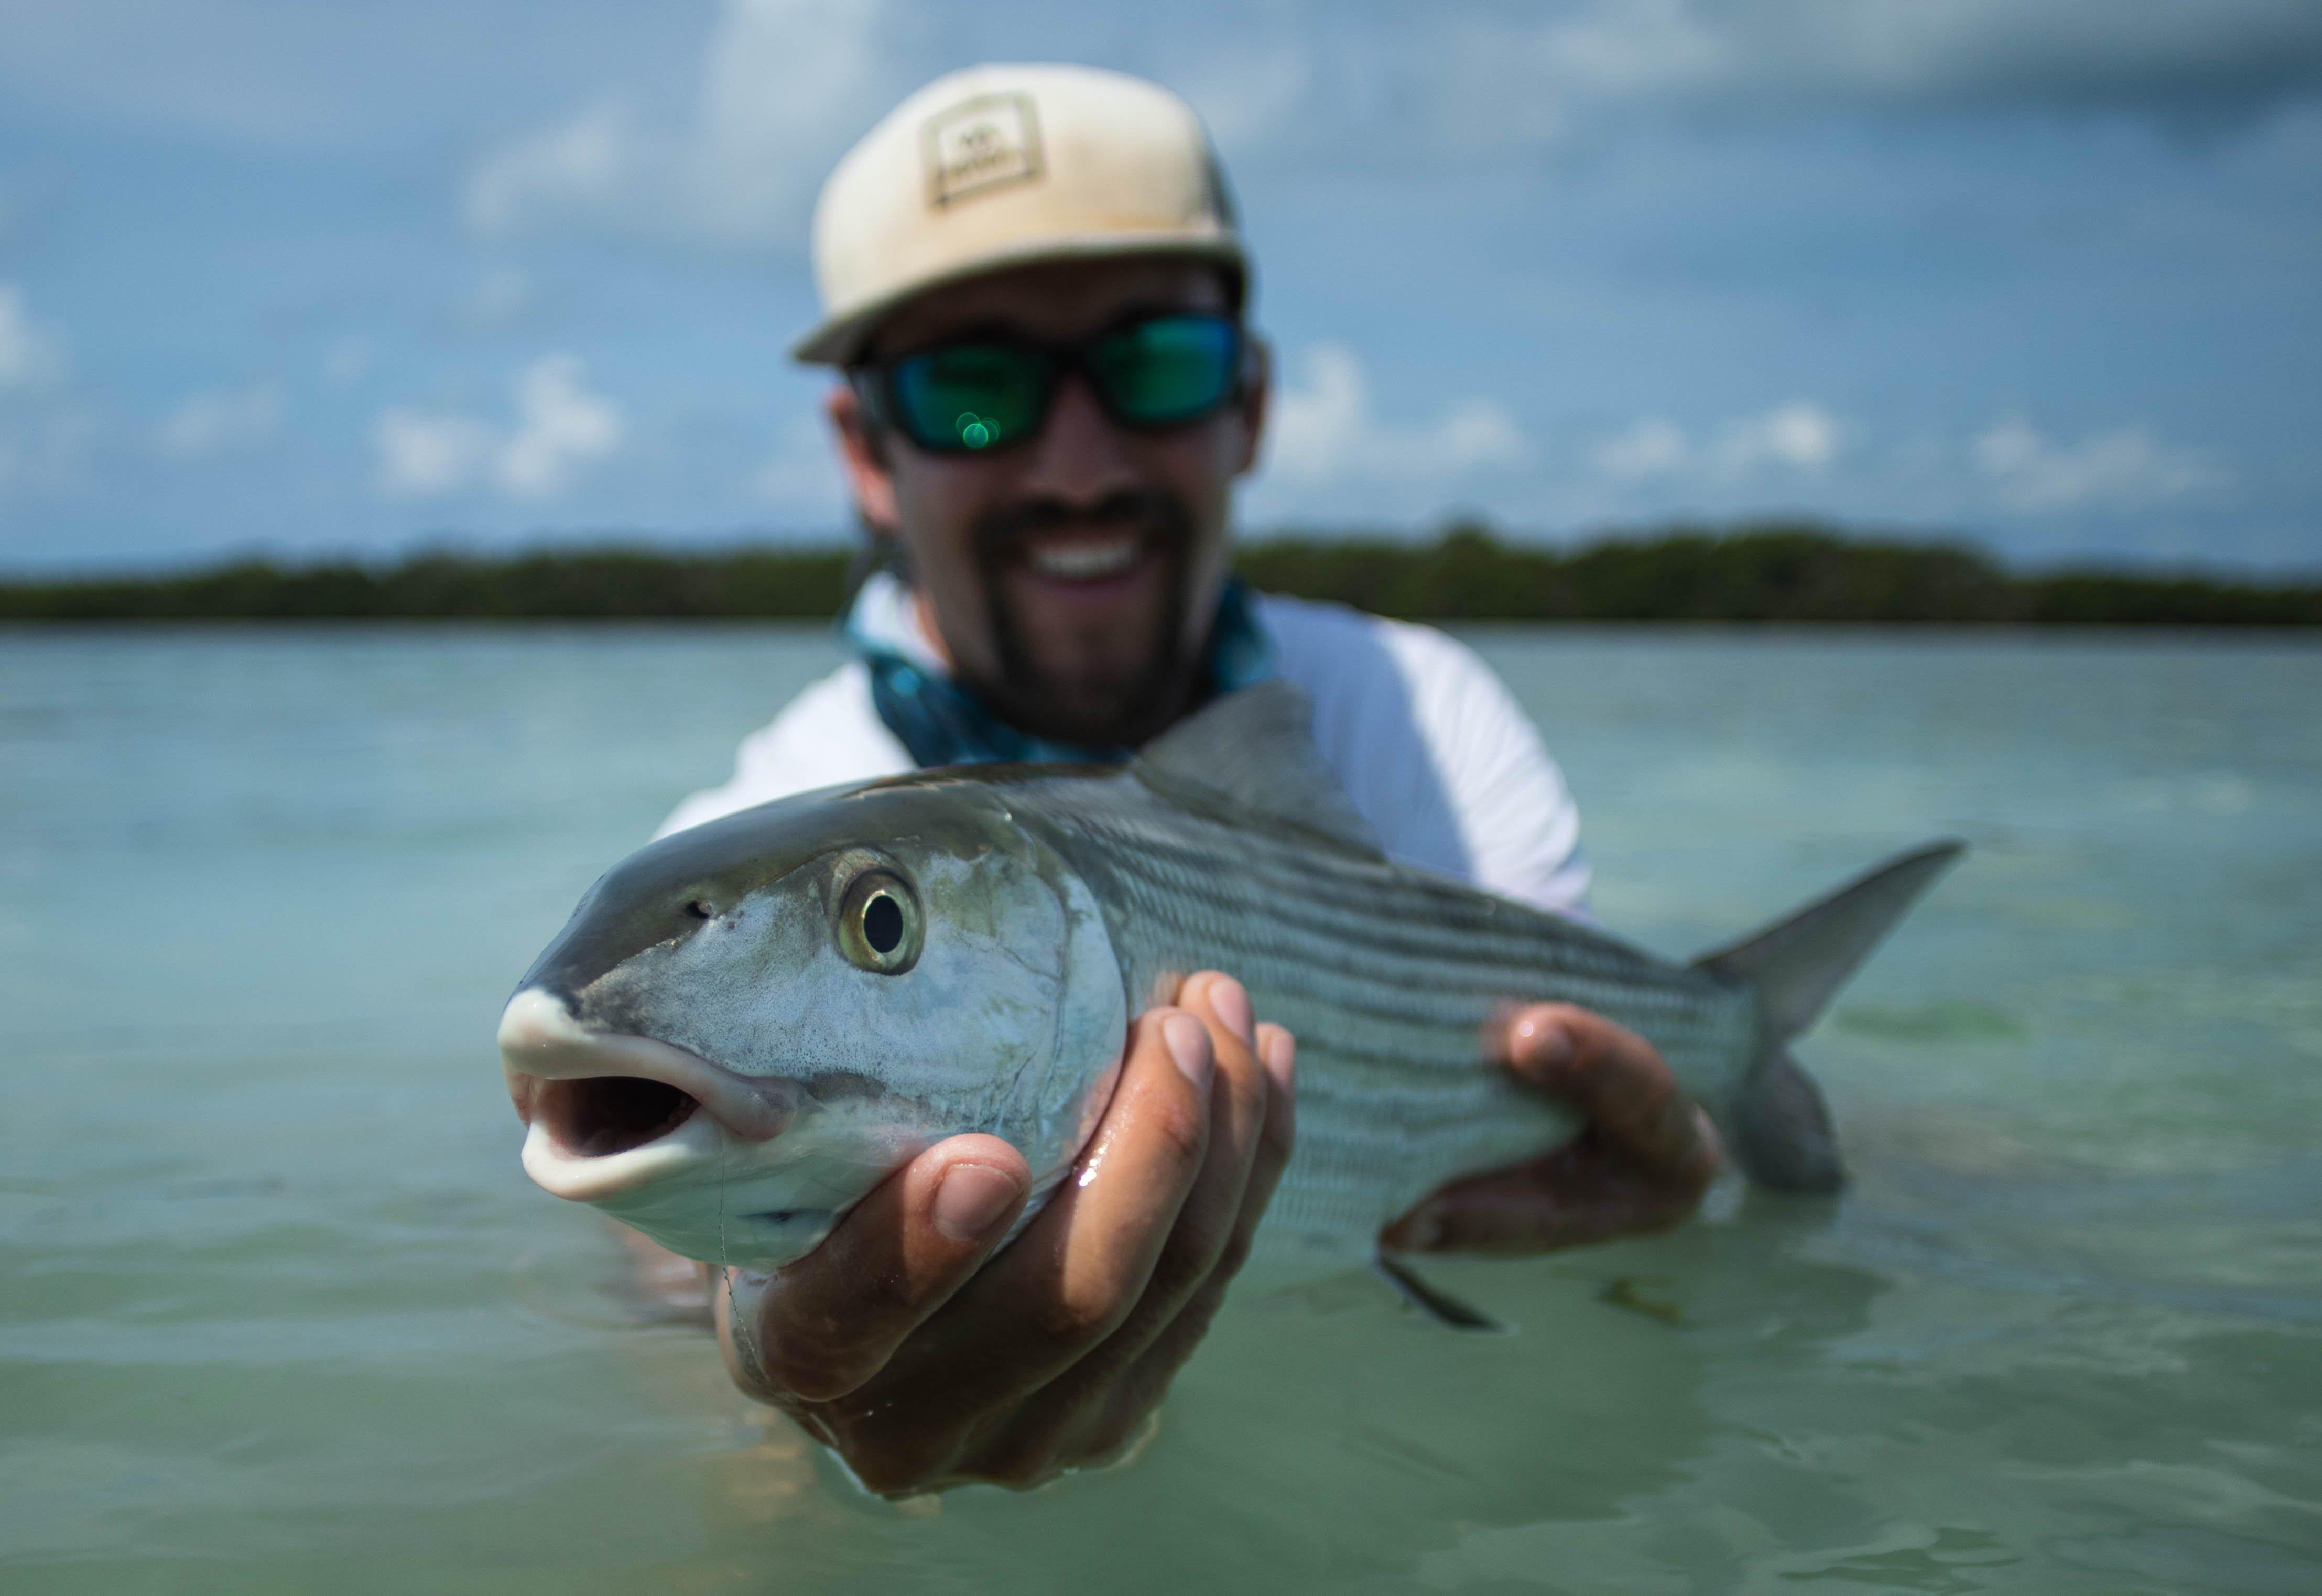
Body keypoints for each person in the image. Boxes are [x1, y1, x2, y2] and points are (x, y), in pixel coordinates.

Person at [658, 64, 1722, 1495]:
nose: (1077, 465)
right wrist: (773, 1374)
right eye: (973, 392)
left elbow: (1558, 1130)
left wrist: (1679, 1169)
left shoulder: (1426, 713)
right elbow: (665, 1274)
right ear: (866, 450)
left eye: (1156, 364)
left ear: (1253, 403)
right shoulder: (744, 862)